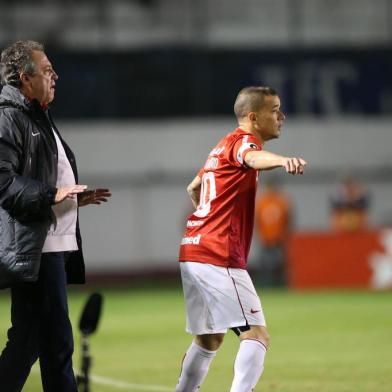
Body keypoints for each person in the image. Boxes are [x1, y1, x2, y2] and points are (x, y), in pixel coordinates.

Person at [176, 86, 307, 391]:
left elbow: (193, 187)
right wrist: (281, 160)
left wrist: (210, 217)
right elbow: (251, 157)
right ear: (253, 116)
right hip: (218, 254)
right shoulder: (244, 142)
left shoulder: (220, 147)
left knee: (209, 338)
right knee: (257, 335)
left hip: (192, 251)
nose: (281, 116)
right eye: (274, 110)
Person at [0, 40, 111, 392]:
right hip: (36, 248)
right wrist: (52, 195)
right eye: (47, 70)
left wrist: (74, 199)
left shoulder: (36, 115)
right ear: (24, 78)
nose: (55, 76)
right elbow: (3, 180)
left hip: (50, 247)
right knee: (48, 345)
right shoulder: (9, 116)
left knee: (40, 344)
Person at [255, 176, 292, 286]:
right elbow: (257, 221)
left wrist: (285, 235)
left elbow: (288, 219)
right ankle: (266, 286)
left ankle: (281, 286)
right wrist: (260, 236)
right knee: (265, 265)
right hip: (266, 239)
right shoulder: (262, 202)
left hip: (279, 239)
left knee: (281, 264)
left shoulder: (282, 201)